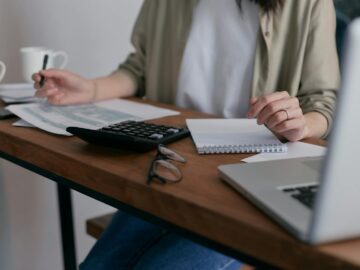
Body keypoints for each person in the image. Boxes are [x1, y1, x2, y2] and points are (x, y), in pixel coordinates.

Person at [33, 0, 340, 269]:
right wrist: (92, 89)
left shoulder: (308, 3)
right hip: (170, 167)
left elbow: (322, 102)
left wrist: (300, 124)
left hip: (250, 179)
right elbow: (139, 68)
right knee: (97, 266)